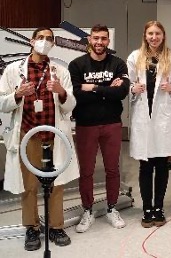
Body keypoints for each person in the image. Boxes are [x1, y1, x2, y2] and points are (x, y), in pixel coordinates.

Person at [0, 27, 79, 251]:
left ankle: (55, 226)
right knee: (29, 185)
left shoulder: (59, 70)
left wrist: (61, 91)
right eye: (41, 38)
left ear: (53, 44)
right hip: (27, 135)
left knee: (56, 184)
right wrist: (17, 94)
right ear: (32, 41)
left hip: (54, 136)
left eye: (49, 39)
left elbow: (70, 105)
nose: (44, 42)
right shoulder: (14, 70)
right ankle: (32, 228)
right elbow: (1, 103)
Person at [68, 24, 130, 233]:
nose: (99, 42)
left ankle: (112, 208)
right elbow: (76, 94)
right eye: (96, 38)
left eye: (103, 38)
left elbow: (121, 92)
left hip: (112, 123)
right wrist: (106, 90)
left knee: (113, 169)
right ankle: (88, 211)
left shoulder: (118, 64)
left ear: (108, 41)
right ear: (89, 40)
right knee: (86, 171)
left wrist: (93, 87)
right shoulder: (77, 65)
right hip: (86, 125)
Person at [127, 21, 171, 227]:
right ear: (145, 35)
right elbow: (128, 84)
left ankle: (158, 207)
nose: (154, 37)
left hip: (163, 119)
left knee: (161, 164)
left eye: (157, 33)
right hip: (143, 116)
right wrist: (133, 89)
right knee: (145, 165)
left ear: (163, 35)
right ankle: (146, 209)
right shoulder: (135, 57)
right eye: (150, 33)